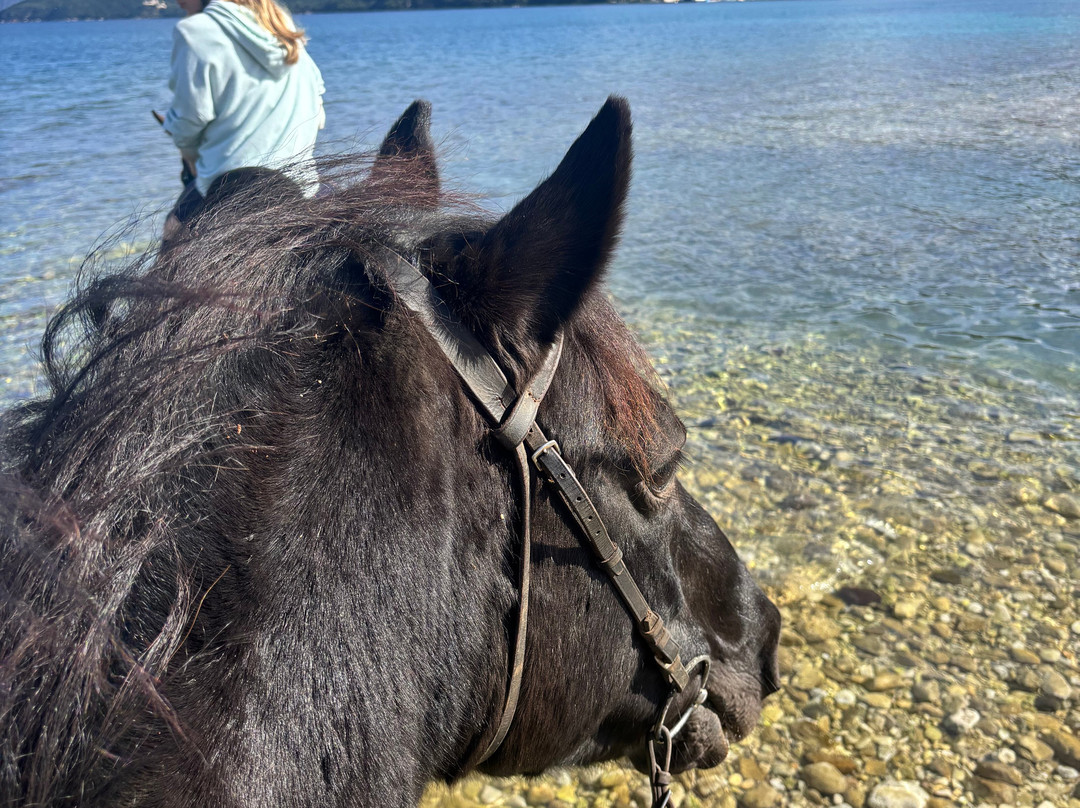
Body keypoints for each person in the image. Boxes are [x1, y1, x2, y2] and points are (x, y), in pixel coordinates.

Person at [162, 0, 325, 236]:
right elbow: (318, 106)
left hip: (230, 193)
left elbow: (191, 118)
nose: (176, 2)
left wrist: (189, 153)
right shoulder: (282, 27)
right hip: (301, 187)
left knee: (173, 230)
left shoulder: (195, 30)